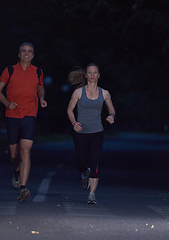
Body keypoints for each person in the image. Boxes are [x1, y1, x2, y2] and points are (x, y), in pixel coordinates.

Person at [0, 42, 47, 202]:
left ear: (33, 55)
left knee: (25, 150)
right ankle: (16, 170)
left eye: (29, 51)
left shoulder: (37, 71)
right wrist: (7, 103)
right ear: (19, 54)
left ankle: (23, 187)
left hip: (30, 114)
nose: (26, 53)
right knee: (14, 153)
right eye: (23, 51)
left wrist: (42, 98)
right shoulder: (9, 70)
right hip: (12, 115)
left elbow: (40, 87)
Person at [67, 63, 116, 204]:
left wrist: (112, 116)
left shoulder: (105, 93)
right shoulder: (78, 92)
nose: (93, 75)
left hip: (97, 132)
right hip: (81, 132)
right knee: (82, 163)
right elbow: (69, 110)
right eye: (90, 72)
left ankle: (92, 194)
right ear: (86, 75)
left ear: (99, 75)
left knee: (95, 162)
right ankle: (84, 174)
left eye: (95, 72)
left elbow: (112, 110)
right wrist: (74, 123)